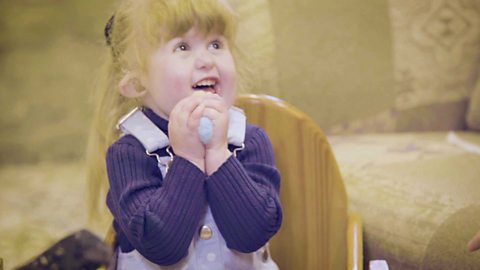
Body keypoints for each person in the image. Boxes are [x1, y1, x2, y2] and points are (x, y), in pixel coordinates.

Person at [85, 0, 282, 269]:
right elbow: (161, 246)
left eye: (216, 44)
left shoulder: (250, 140)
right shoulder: (129, 153)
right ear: (136, 81)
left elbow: (255, 234)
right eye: (183, 47)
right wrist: (187, 159)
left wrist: (219, 156)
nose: (206, 60)